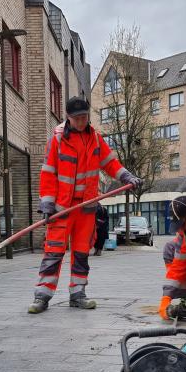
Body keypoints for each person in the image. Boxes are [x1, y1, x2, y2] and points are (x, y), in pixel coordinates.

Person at [28, 96, 142, 313]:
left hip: (87, 208)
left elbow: (110, 163)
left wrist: (127, 176)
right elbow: (48, 173)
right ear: (68, 117)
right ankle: (42, 296)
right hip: (62, 208)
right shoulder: (58, 139)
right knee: (53, 252)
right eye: (77, 118)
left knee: (81, 252)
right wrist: (47, 204)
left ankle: (78, 293)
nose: (81, 121)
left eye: (84, 117)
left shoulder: (95, 139)